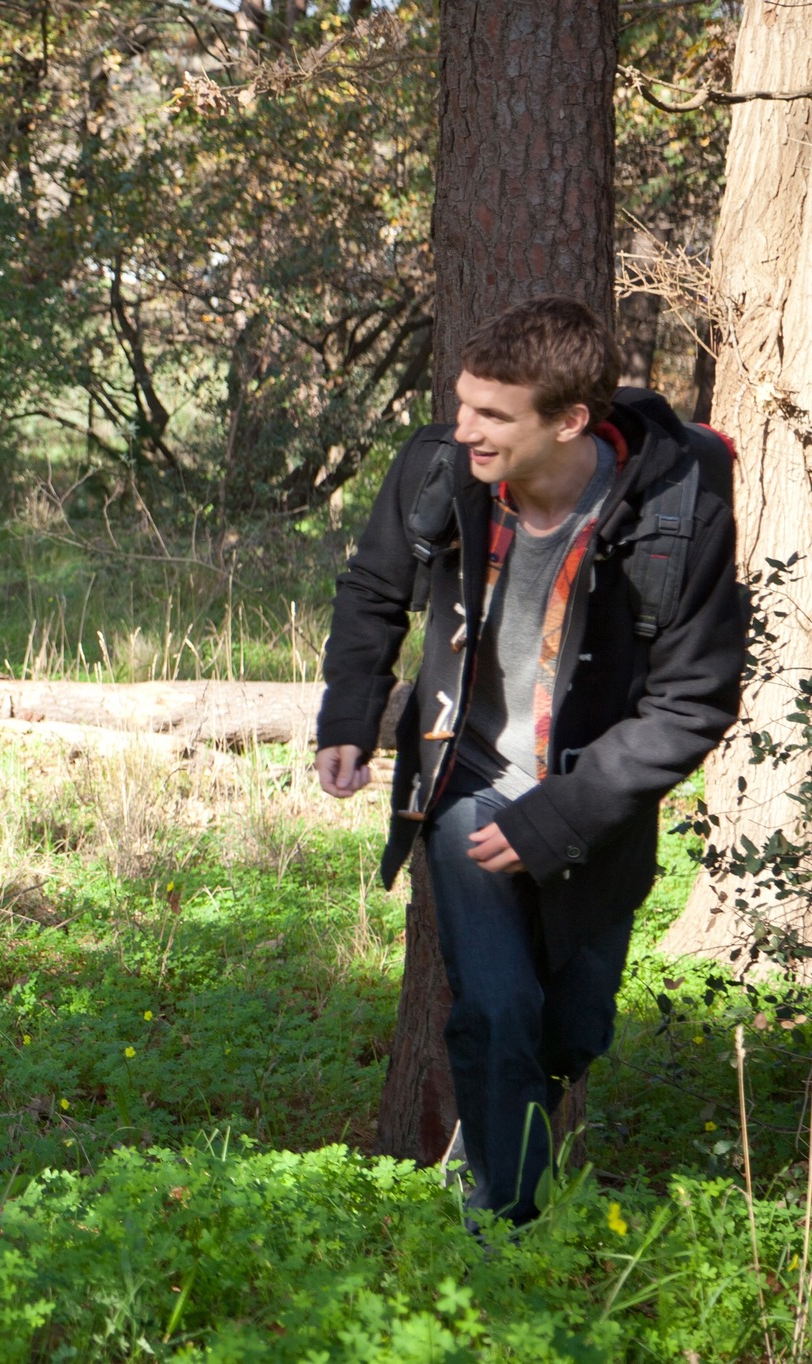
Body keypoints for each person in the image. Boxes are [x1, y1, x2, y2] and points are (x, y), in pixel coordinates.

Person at [315, 295, 742, 1225]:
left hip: (593, 798)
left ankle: (494, 1129)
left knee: (572, 1029)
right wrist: (349, 712)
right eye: (464, 403)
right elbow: (372, 591)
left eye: (492, 415)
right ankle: (504, 1235)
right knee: (498, 1007)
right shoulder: (439, 470)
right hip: (463, 778)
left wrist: (557, 817)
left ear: (570, 421)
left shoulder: (680, 502)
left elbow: (693, 700)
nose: (461, 428)